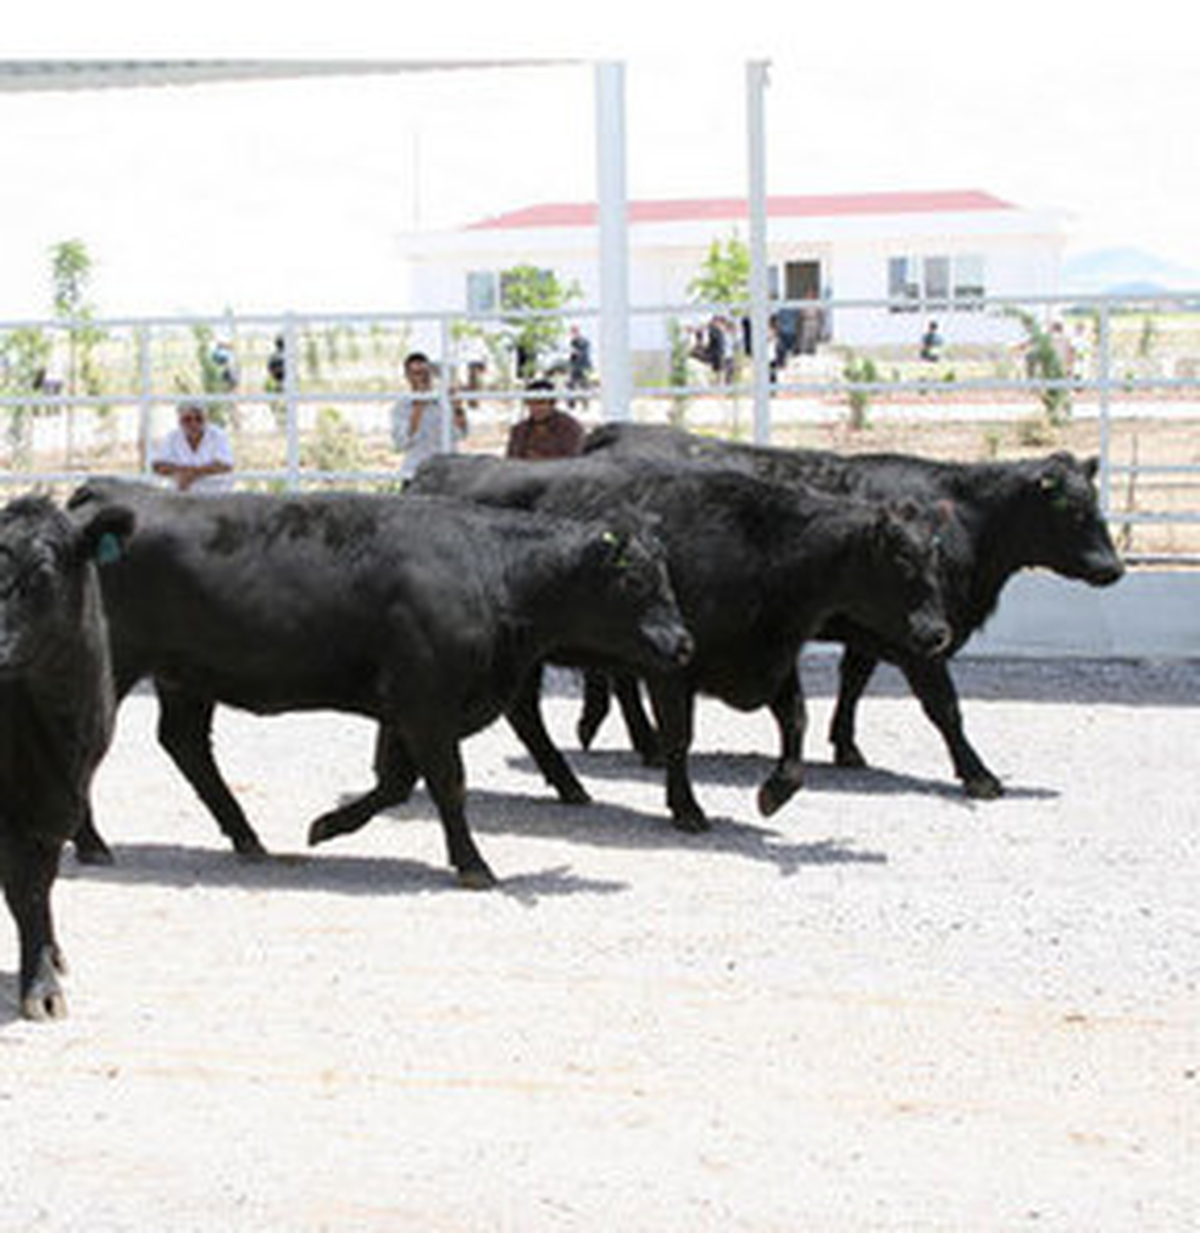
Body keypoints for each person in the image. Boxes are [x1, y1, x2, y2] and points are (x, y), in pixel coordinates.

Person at [391, 351, 467, 485]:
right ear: (408, 377)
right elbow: (401, 443)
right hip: (417, 473)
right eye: (417, 373)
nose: (423, 378)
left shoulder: (443, 401)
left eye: (425, 373)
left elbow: (461, 434)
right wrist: (419, 406)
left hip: (447, 473)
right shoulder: (401, 407)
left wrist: (457, 408)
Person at [152, 400, 235, 493]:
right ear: (179, 421)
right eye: (187, 419)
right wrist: (182, 472)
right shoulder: (172, 437)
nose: (193, 424)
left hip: (214, 495)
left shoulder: (217, 435)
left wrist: (193, 473)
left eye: (199, 419)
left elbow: (225, 465)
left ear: (206, 419)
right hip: (180, 495)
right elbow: (158, 466)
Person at [506, 378, 584, 461]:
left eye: (541, 402)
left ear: (552, 403)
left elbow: (571, 462)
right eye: (531, 402)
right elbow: (512, 462)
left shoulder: (570, 428)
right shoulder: (519, 431)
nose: (536, 408)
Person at [566, 325, 593, 406]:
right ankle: (572, 403)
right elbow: (572, 356)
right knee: (571, 384)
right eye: (572, 331)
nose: (572, 333)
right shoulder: (572, 342)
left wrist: (576, 352)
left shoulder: (583, 341)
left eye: (574, 331)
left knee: (583, 385)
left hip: (582, 366)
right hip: (575, 366)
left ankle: (585, 403)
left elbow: (584, 353)